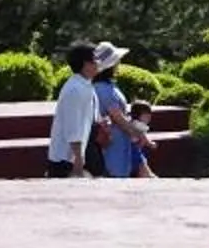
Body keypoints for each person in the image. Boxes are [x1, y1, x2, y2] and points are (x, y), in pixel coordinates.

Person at [91, 42, 154, 179]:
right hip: (114, 143)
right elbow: (118, 118)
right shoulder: (103, 89)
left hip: (121, 142)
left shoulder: (107, 86)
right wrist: (137, 134)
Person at [45, 40, 100, 176]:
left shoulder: (85, 85)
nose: (98, 64)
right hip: (64, 159)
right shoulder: (75, 89)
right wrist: (78, 158)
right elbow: (73, 126)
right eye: (95, 60)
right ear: (85, 64)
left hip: (73, 156)